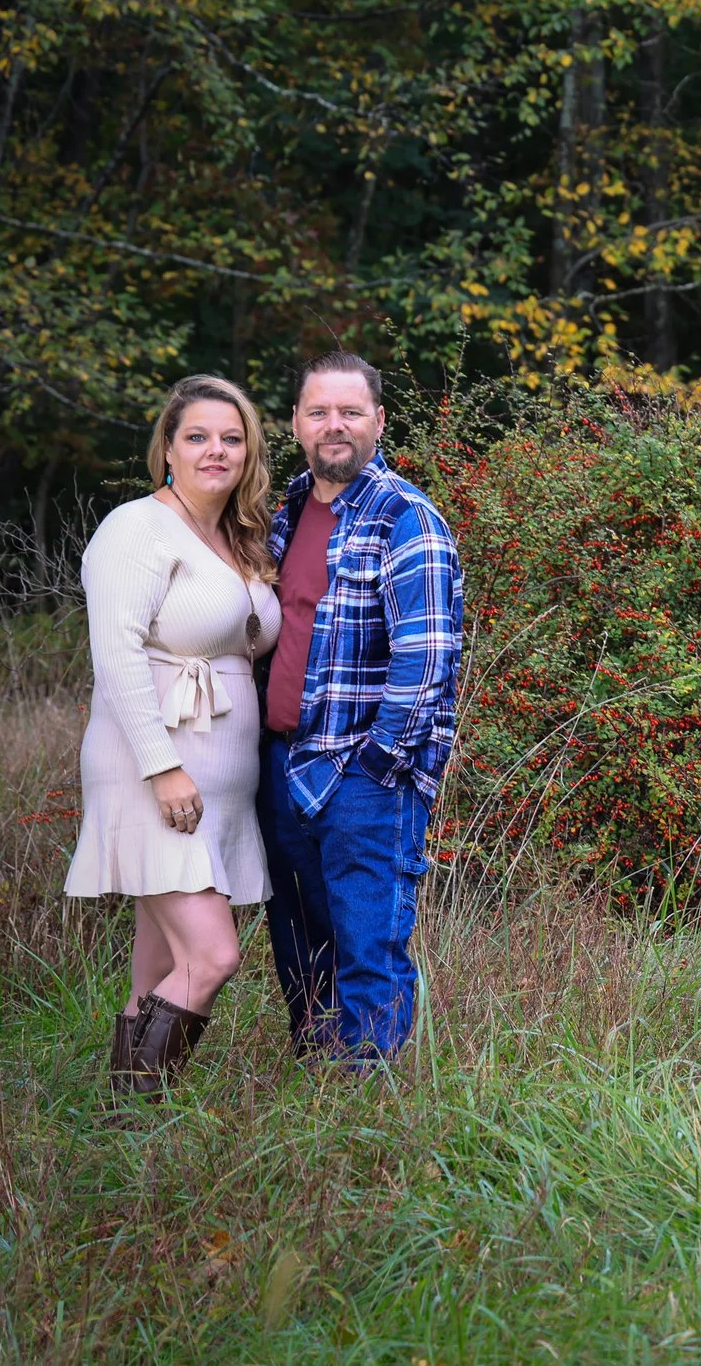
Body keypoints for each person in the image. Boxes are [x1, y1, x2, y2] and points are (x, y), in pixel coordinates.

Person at [68, 376, 282, 1098]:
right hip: (154, 770)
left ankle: (126, 1129)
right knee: (214, 954)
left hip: (218, 779)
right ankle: (135, 1112)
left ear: (249, 449)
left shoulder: (235, 536)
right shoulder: (136, 527)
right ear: (166, 448)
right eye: (197, 436)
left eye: (231, 436)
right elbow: (117, 654)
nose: (215, 449)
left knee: (158, 970)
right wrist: (162, 768)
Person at [255, 351, 465, 1065]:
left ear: (379, 420)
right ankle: (319, 1087)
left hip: (364, 776)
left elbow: (428, 657)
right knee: (300, 943)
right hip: (282, 763)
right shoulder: (284, 511)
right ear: (295, 424)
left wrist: (377, 764)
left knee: (368, 948)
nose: (333, 425)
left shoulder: (408, 518)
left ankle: (370, 1112)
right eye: (318, 412)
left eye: (350, 411)